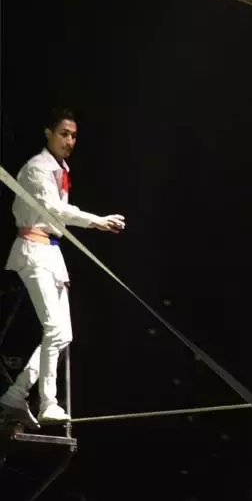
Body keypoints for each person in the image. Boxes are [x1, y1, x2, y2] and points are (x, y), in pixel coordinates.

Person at [0, 109, 125, 426]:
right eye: (63, 134)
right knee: (54, 329)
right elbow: (54, 209)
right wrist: (96, 221)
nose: (69, 141)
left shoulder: (60, 170)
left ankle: (16, 393)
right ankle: (48, 402)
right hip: (34, 249)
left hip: (52, 253)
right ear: (48, 133)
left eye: (73, 136)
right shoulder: (37, 168)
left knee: (63, 334)